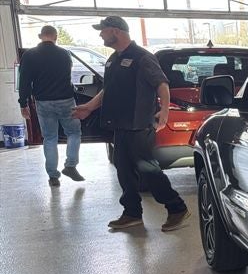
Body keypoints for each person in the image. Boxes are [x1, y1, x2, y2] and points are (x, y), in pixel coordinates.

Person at [72, 16, 190, 232]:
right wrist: (89, 106)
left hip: (139, 125)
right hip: (120, 124)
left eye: (103, 30)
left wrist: (164, 111)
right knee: (124, 171)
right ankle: (132, 213)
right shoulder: (113, 59)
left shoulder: (142, 57)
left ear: (116, 31)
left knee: (148, 171)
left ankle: (177, 208)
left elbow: (161, 84)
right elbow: (108, 90)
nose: (100, 34)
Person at [17, 25, 85, 187]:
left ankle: (53, 176)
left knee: (50, 138)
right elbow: (68, 76)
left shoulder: (30, 55)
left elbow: (24, 82)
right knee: (74, 133)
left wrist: (23, 103)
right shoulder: (64, 54)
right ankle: (70, 165)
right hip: (66, 100)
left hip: (43, 102)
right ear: (55, 37)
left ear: (40, 36)